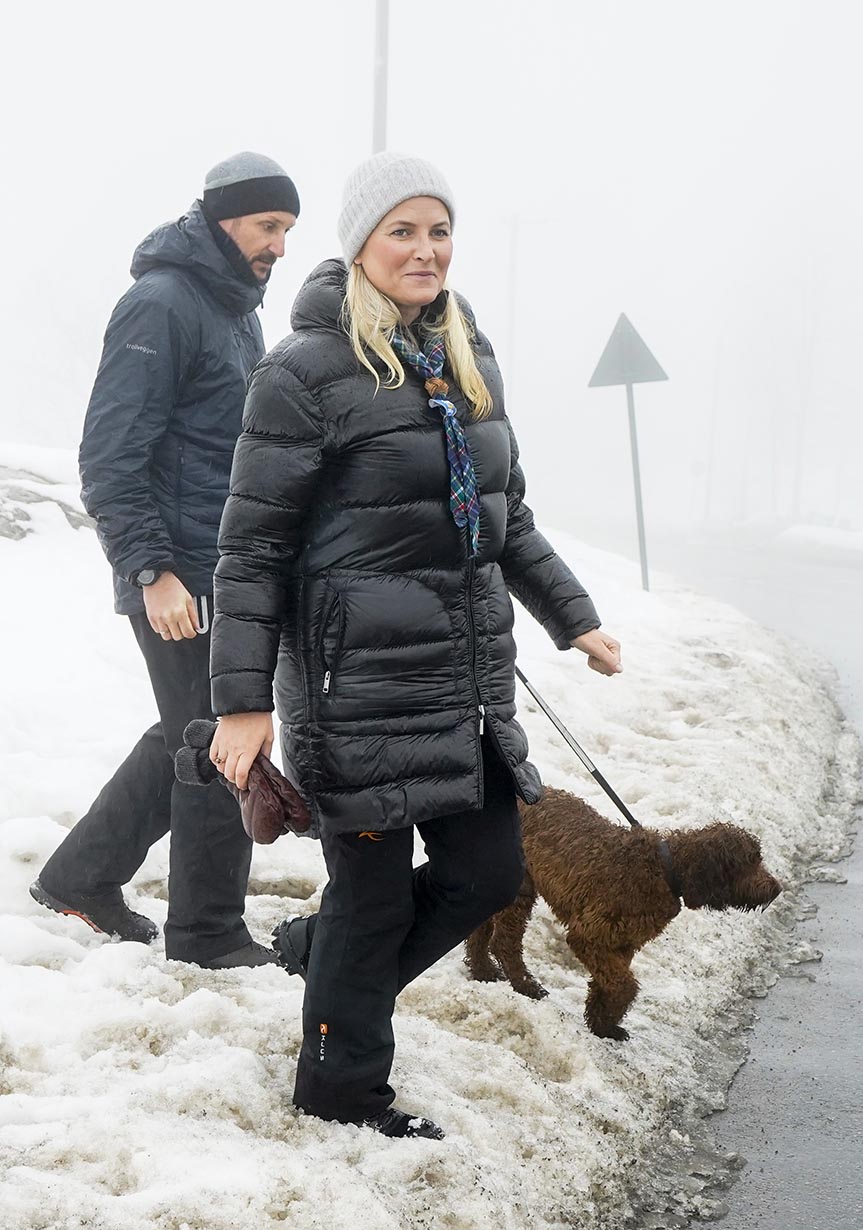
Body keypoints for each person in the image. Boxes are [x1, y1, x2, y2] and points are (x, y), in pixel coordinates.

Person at [208, 151, 621, 1134]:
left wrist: (576, 615)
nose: (426, 250)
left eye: (439, 231)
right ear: (359, 245)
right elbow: (251, 549)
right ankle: (342, 1088)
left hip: (463, 682)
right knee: (376, 896)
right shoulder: (302, 375)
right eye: (403, 230)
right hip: (358, 687)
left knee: (485, 872)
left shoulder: (463, 351)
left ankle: (330, 974)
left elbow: (505, 515)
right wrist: (242, 698)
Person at [31, 153, 300, 969]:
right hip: (176, 571)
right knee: (223, 741)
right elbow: (109, 456)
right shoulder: (160, 304)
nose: (280, 246)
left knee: (189, 731)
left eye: (288, 230)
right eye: (268, 227)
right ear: (223, 220)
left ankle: (82, 875)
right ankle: (207, 932)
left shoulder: (235, 309)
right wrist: (152, 571)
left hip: (225, 568)